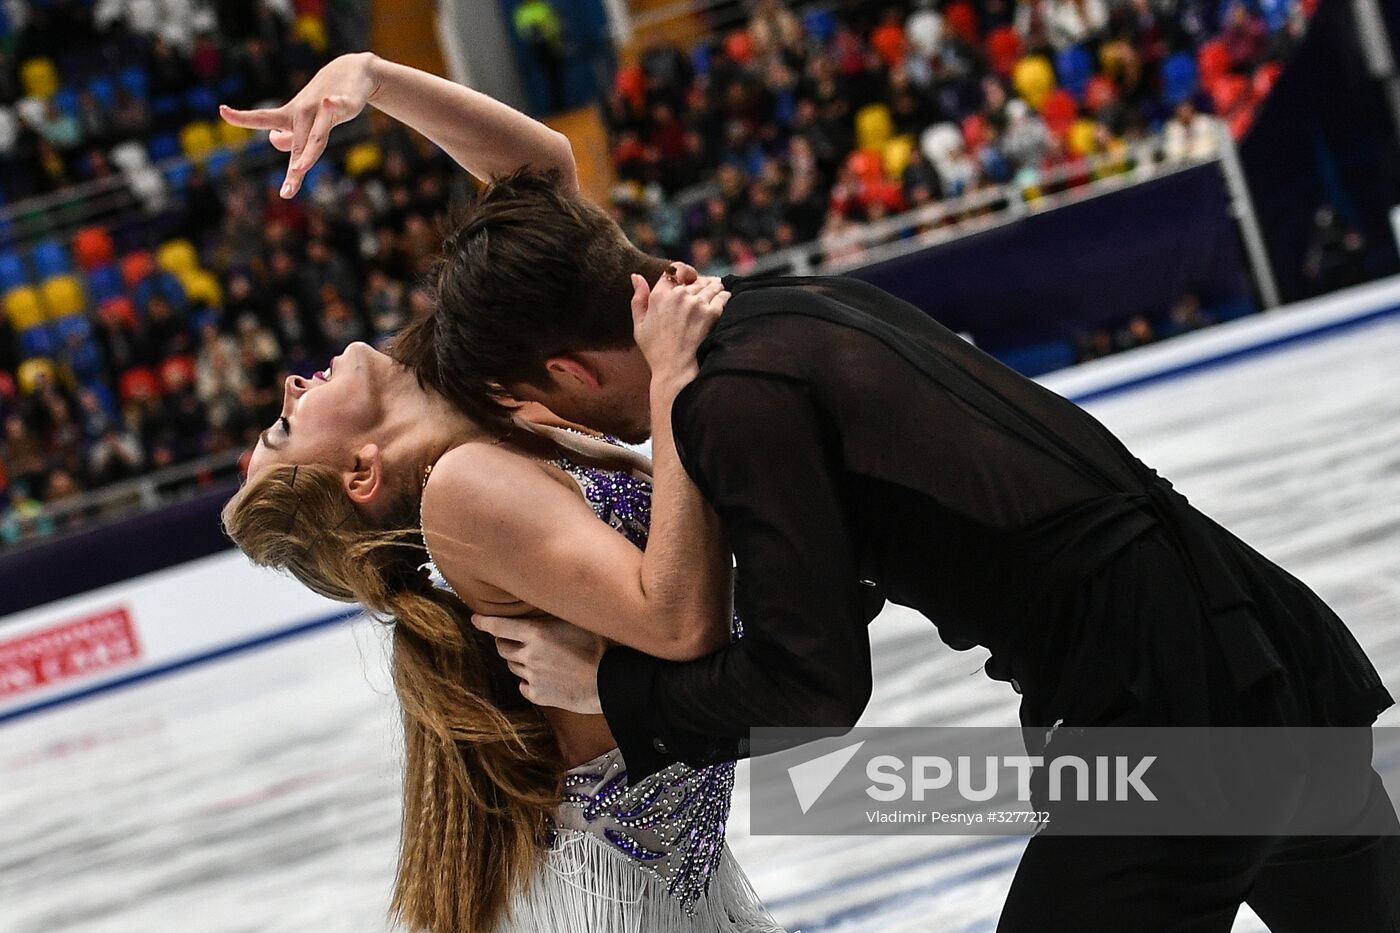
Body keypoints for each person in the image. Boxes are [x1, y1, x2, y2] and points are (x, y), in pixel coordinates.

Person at [396, 169, 1400, 931]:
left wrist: (615, 690)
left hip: (1168, 712)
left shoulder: (727, 399)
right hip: (1271, 651)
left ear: (568, 372)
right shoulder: (774, 308)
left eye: (537, 405)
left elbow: (813, 687)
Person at [220, 54, 784, 933]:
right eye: (287, 426)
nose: (291, 384)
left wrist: (373, 77)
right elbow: (679, 621)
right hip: (616, 905)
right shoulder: (463, 488)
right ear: (362, 472)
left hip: (667, 883)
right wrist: (673, 382)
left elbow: (541, 181)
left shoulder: (490, 401)